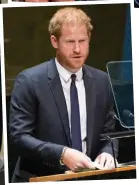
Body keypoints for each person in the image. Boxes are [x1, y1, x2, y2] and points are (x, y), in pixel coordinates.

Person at [9, 7, 118, 182]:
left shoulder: (102, 81)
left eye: (82, 41)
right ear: (54, 41)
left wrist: (107, 151)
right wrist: (62, 154)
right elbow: (18, 138)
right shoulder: (29, 80)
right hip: (41, 177)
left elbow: (109, 132)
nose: (77, 49)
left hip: (91, 177)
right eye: (70, 42)